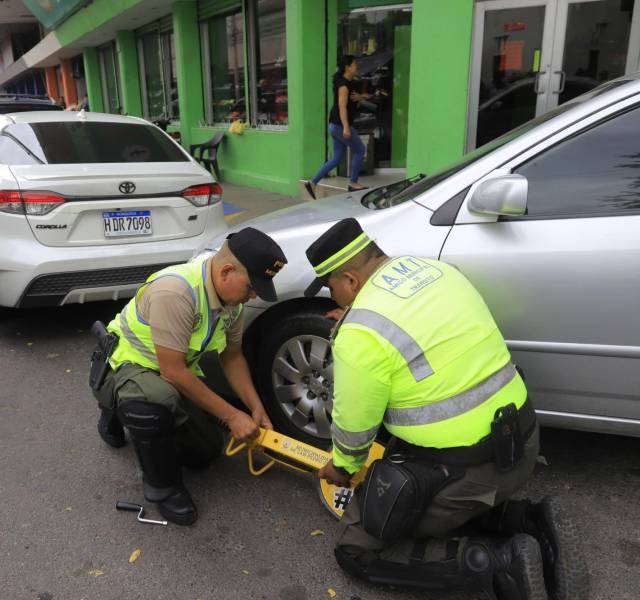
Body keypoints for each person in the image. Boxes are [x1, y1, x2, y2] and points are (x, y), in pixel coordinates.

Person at [304, 218, 586, 600]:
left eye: (331, 286)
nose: (332, 296)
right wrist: (357, 322)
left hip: (469, 475)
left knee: (357, 549)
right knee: (447, 489)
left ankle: (499, 565)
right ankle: (529, 521)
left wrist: (341, 468)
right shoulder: (438, 272)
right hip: (524, 440)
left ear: (351, 280)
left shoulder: (361, 333)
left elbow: (355, 429)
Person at [93, 228, 287, 526]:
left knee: (205, 453)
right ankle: (162, 487)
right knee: (154, 402)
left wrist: (254, 407)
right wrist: (233, 417)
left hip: (170, 372)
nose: (254, 295)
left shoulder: (230, 303)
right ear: (225, 271)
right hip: (128, 367)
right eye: (251, 287)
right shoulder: (177, 292)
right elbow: (173, 371)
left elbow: (232, 356)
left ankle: (133, 412)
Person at [305, 55, 368, 199]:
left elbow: (353, 101)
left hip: (334, 125)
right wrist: (346, 127)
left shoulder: (347, 82)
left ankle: (312, 183)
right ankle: (353, 182)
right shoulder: (343, 86)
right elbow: (342, 107)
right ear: (347, 67)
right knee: (360, 150)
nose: (356, 66)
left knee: (337, 158)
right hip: (340, 125)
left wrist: (361, 98)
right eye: (354, 64)